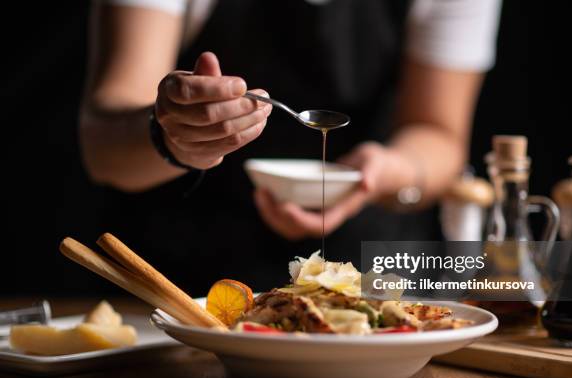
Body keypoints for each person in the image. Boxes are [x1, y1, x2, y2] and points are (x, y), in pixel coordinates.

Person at [80, 0, 502, 292]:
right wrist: (173, 134)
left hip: (376, 281)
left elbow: (440, 134)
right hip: (183, 290)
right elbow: (103, 148)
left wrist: (388, 171)